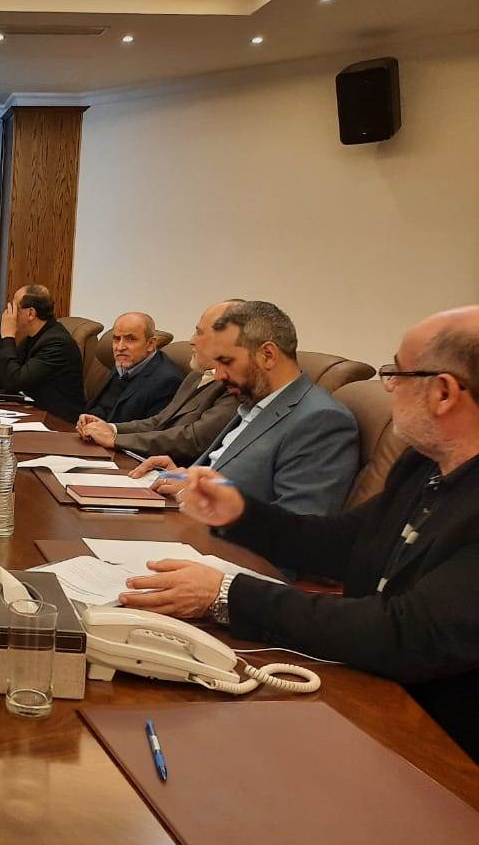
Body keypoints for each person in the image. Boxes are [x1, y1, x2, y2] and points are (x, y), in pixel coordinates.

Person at [118, 306, 479, 762]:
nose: (389, 387)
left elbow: (405, 634)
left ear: (443, 393)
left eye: (396, 373)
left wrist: (226, 594)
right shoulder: (423, 464)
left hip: (437, 746)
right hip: (365, 684)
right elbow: (339, 541)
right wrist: (241, 513)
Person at [132, 301, 359, 523]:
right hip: (187, 520)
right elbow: (228, 474)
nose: (219, 375)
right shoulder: (252, 402)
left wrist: (201, 498)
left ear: (268, 355)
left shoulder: (321, 420)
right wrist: (189, 478)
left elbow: (299, 528)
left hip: (217, 543)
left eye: (226, 361)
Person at [76, 300, 241, 464]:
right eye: (116, 339)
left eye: (200, 333)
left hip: (174, 469)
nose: (192, 340)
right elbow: (160, 421)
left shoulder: (235, 386)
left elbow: (192, 440)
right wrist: (111, 428)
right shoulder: (195, 376)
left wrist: (115, 439)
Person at [0, 284, 84, 422]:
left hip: (59, 422)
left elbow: (15, 381)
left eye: (14, 309)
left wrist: (7, 336)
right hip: (36, 412)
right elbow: (6, 375)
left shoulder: (56, 343)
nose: (10, 315)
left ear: (31, 313)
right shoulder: (33, 338)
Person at [84, 312, 185, 423]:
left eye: (131, 339)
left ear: (150, 344)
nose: (120, 347)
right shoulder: (125, 362)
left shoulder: (167, 381)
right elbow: (105, 405)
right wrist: (89, 420)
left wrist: (106, 428)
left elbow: (152, 429)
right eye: (116, 339)